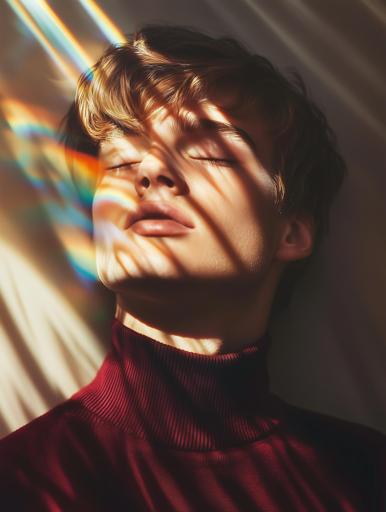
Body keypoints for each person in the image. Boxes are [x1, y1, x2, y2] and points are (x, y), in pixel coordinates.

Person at [0, 24, 385, 511]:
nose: (149, 170)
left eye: (209, 152)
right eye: (119, 161)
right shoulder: (22, 483)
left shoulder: (366, 475)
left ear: (291, 232)